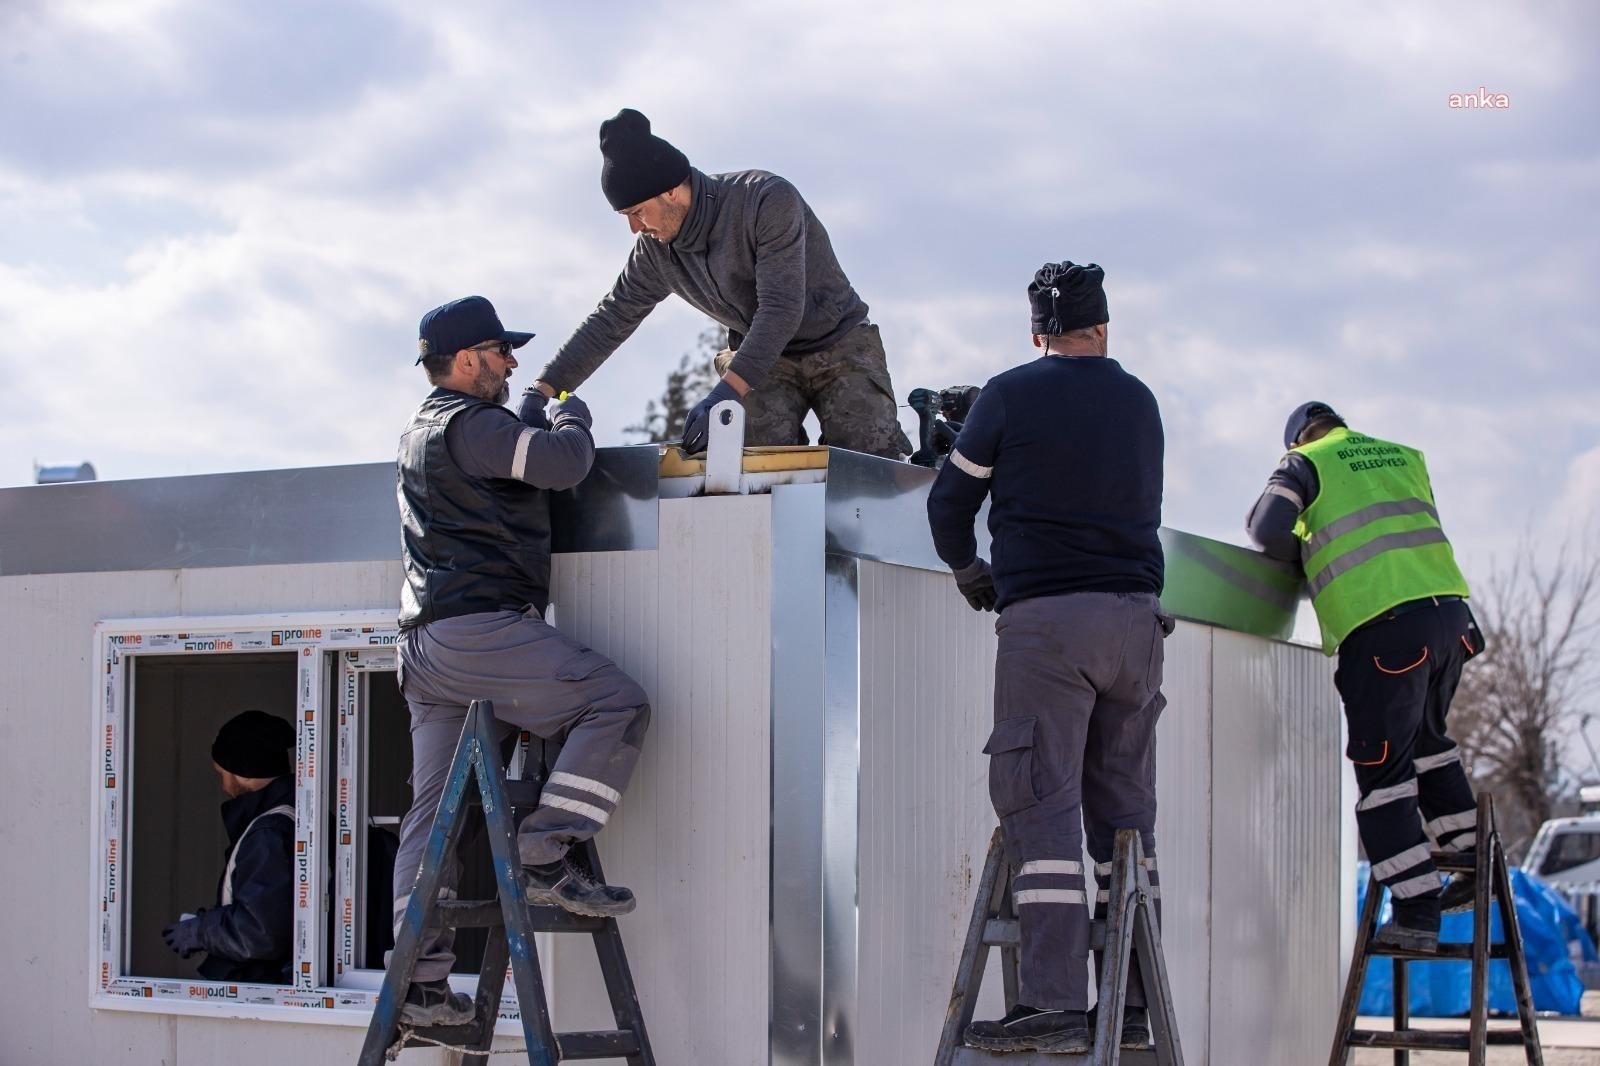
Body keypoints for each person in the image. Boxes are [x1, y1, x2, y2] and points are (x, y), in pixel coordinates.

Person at [927, 262, 1171, 1054]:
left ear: (1037, 333)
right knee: (1126, 815)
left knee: (1041, 803)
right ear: (1103, 327)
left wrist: (971, 572)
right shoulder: (1139, 401)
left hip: (1049, 628)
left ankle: (1056, 1002)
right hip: (1136, 627)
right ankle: (1133, 1004)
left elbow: (949, 501)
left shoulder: (1012, 393)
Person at [392, 295, 652, 1026]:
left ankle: (417, 985)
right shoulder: (471, 422)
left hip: (426, 646)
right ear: (468, 359)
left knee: (435, 812)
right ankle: (544, 853)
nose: (513, 365)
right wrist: (569, 409)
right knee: (616, 703)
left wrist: (531, 415)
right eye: (502, 352)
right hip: (478, 629)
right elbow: (564, 466)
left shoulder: (422, 432)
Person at [531, 108, 913, 459]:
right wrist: (542, 390)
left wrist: (725, 393)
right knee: (754, 464)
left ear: (671, 190)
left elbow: (781, 310)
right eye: (625, 216)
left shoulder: (765, 201)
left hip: (838, 341)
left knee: (868, 459)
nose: (634, 228)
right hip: (765, 361)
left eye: (637, 212)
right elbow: (609, 321)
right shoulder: (654, 252)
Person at [1248, 402, 1482, 953]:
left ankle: (1417, 911)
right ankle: (1472, 858)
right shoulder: (1402, 456)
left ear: (1298, 439)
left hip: (1384, 631)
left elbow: (1265, 530)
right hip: (1451, 619)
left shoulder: (1303, 463)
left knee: (1383, 772)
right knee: (1429, 742)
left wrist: (1307, 556)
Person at [161, 710, 296, 984]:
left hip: (267, 990)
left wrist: (200, 931)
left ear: (241, 773)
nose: (223, 786)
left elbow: (261, 932)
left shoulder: (269, 832)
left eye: (221, 774)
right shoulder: (293, 816)